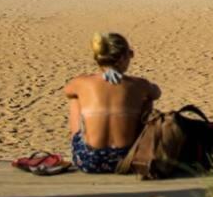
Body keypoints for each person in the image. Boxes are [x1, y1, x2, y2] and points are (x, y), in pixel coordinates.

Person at [63, 32, 161, 173]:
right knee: (147, 99)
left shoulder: (82, 82)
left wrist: (98, 79)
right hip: (128, 159)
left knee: (75, 97)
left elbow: (67, 91)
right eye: (130, 54)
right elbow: (156, 93)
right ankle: (140, 144)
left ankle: (82, 142)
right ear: (122, 58)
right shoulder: (139, 84)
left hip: (89, 161)